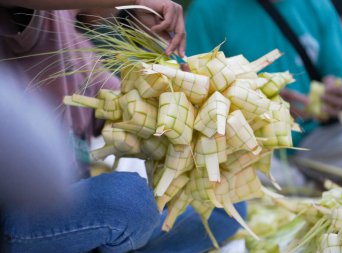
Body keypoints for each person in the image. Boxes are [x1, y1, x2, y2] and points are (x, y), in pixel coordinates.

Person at [0, 1, 245, 252]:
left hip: (76, 216)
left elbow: (128, 114)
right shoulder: (38, 17)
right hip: (19, 221)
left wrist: (187, 104)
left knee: (226, 205)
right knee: (128, 200)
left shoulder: (78, 46)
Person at [185, 0, 342, 185]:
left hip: (316, 141)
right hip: (247, 152)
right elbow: (193, 99)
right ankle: (297, 179)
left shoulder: (316, 4)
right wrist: (261, 105)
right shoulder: (208, 10)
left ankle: (300, 178)